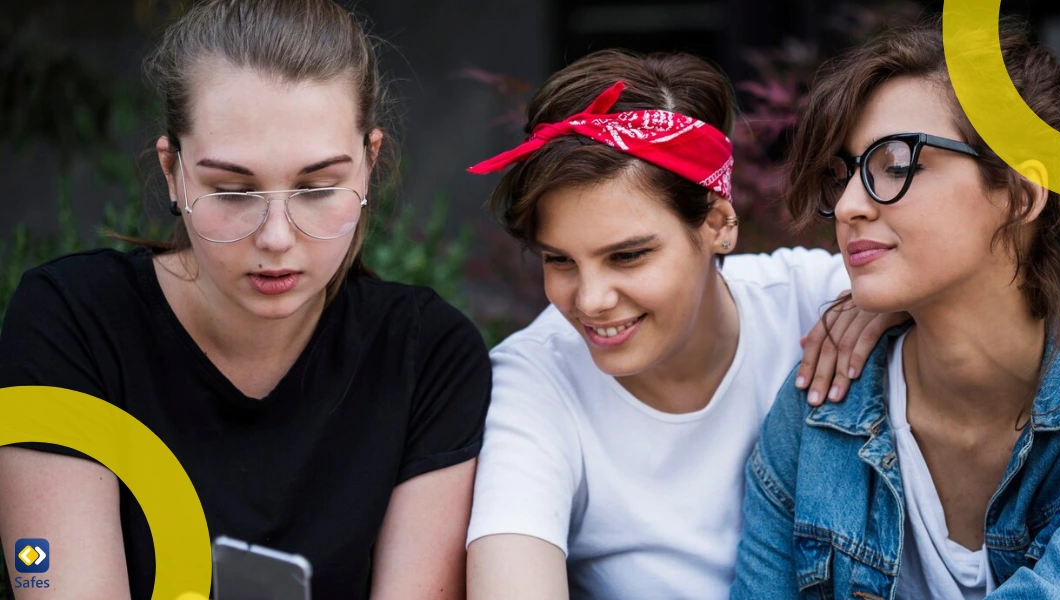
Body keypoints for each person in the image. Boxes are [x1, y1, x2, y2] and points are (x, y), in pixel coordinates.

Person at [0, 1, 490, 598]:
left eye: (317, 188)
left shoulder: (428, 358)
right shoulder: (70, 322)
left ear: (371, 162)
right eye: (232, 189)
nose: (276, 237)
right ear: (173, 172)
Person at [731, 17, 1060, 600]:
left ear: (1021, 195)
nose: (850, 204)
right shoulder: (818, 414)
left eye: (896, 166)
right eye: (844, 174)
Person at [462, 49, 904, 600]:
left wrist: (896, 298)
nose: (592, 301)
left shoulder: (814, 301)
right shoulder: (535, 380)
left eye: (627, 256)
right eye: (560, 261)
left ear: (719, 223)